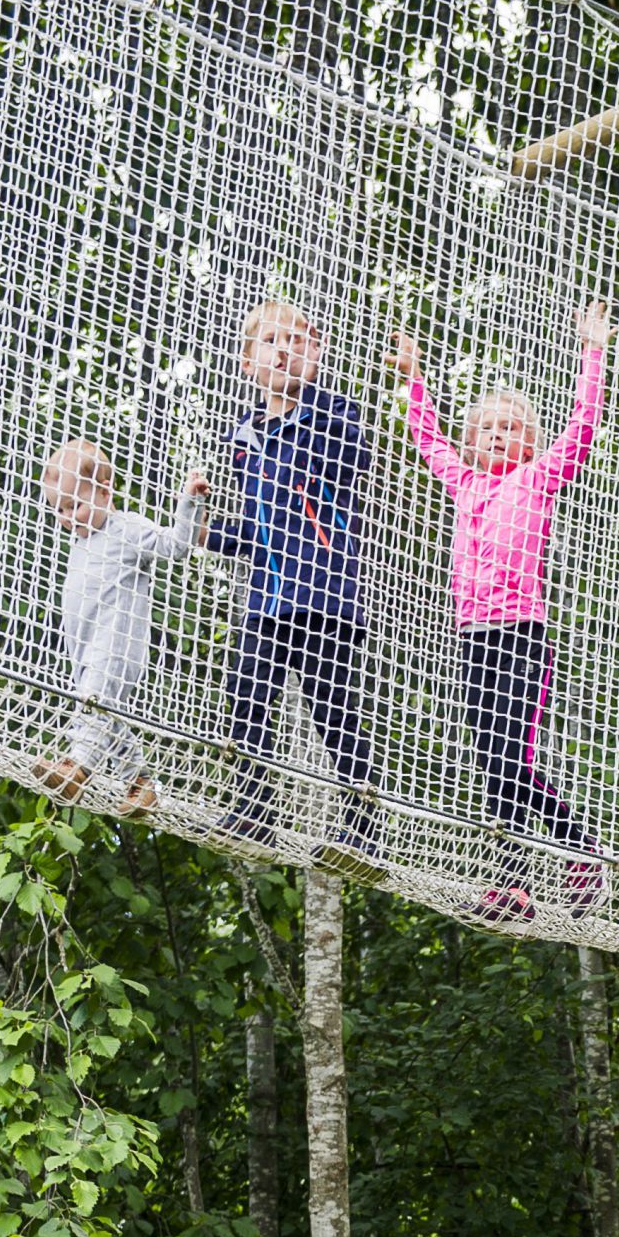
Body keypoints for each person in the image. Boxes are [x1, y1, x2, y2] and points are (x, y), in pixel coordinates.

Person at [388, 300, 614, 926]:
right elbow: (427, 439)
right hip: (473, 634)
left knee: (516, 756)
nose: (496, 435)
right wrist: (414, 379)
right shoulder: (464, 483)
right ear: (472, 443)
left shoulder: (539, 476)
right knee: (493, 763)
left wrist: (592, 351)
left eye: (510, 427)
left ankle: (581, 849)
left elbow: (584, 424)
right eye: (486, 428)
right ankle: (513, 885)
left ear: (530, 442)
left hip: (522, 633)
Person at [204, 301, 380, 857]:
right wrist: (210, 533)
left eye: (297, 341)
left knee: (333, 712)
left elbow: (354, 459)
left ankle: (361, 829)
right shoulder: (244, 437)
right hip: (267, 599)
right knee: (245, 695)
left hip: (324, 595)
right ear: (247, 363)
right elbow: (260, 525)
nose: (284, 350)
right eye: (272, 343)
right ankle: (253, 812)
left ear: (316, 352)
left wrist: (308, 388)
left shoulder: (333, 413)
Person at [36, 439, 207, 818]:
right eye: (59, 510)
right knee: (106, 716)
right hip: (85, 649)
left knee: (95, 705)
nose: (68, 517)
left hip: (117, 645)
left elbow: (175, 546)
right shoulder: (80, 542)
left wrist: (190, 503)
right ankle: (140, 785)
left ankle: (77, 767)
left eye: (75, 505)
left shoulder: (125, 529)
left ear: (104, 491)